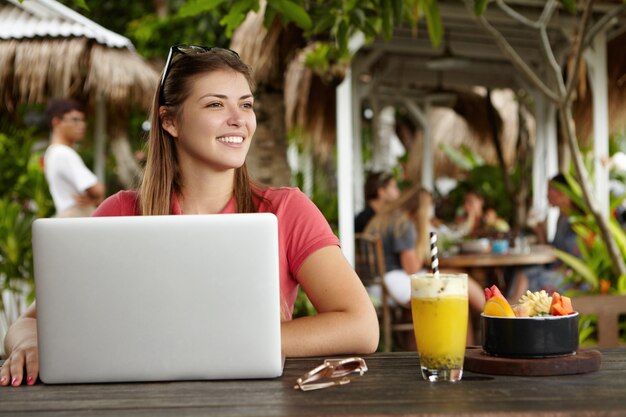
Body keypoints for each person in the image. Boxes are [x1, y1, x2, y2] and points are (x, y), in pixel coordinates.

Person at [1, 45, 378, 387]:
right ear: (170, 121)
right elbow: (30, 321)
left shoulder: (285, 210)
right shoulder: (121, 212)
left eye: (245, 105)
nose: (238, 119)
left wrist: (222, 341)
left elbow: (360, 325)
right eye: (216, 105)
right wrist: (28, 343)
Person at [508, 173, 582, 301]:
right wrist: (540, 232)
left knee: (526, 276)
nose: (547, 195)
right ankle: (511, 310)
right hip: (558, 270)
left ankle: (511, 311)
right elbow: (554, 250)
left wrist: (571, 271)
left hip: (573, 279)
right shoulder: (562, 218)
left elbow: (580, 260)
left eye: (549, 190)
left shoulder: (579, 221)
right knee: (522, 271)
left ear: (562, 193)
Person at [42, 98, 105, 217]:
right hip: (76, 213)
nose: (81, 125)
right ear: (56, 122)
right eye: (75, 120)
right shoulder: (63, 153)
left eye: (82, 120)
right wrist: (97, 197)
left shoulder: (51, 153)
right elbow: (97, 189)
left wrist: (96, 199)